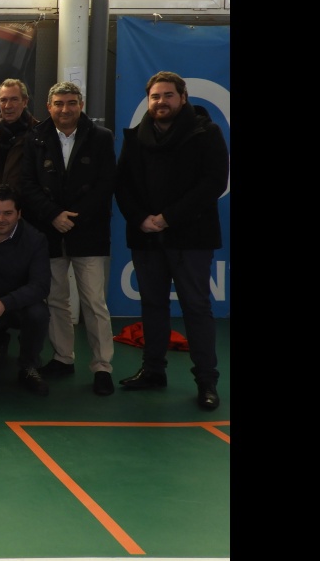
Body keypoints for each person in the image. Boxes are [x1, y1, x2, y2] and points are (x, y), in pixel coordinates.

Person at [114, 71, 229, 411]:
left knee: (196, 308)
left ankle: (206, 381)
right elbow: (122, 185)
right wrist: (141, 219)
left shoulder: (206, 133)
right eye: (155, 96)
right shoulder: (135, 138)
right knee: (152, 306)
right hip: (147, 237)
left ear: (183, 96)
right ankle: (153, 371)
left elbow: (212, 183)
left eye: (167, 95)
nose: (160, 102)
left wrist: (167, 218)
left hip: (191, 238)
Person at [20, 81, 118, 397]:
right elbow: (27, 184)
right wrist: (53, 216)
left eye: (71, 103)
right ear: (49, 107)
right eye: (59, 103)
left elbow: (106, 184)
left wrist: (72, 217)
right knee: (56, 300)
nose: (65, 109)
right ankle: (63, 358)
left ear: (81, 104)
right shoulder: (34, 138)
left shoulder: (101, 138)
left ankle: (103, 367)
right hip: (49, 232)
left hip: (89, 232)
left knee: (94, 302)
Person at [0, 183, 52, 397]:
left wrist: (4, 303)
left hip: (16, 306)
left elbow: (40, 286)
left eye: (8, 213)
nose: (0, 219)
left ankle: (28, 367)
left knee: (38, 313)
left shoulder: (36, 240)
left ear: (19, 214)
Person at [0, 78, 38, 188]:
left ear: (25, 102)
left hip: (25, 203)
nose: (8, 106)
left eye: (14, 99)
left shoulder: (39, 133)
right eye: (3, 100)